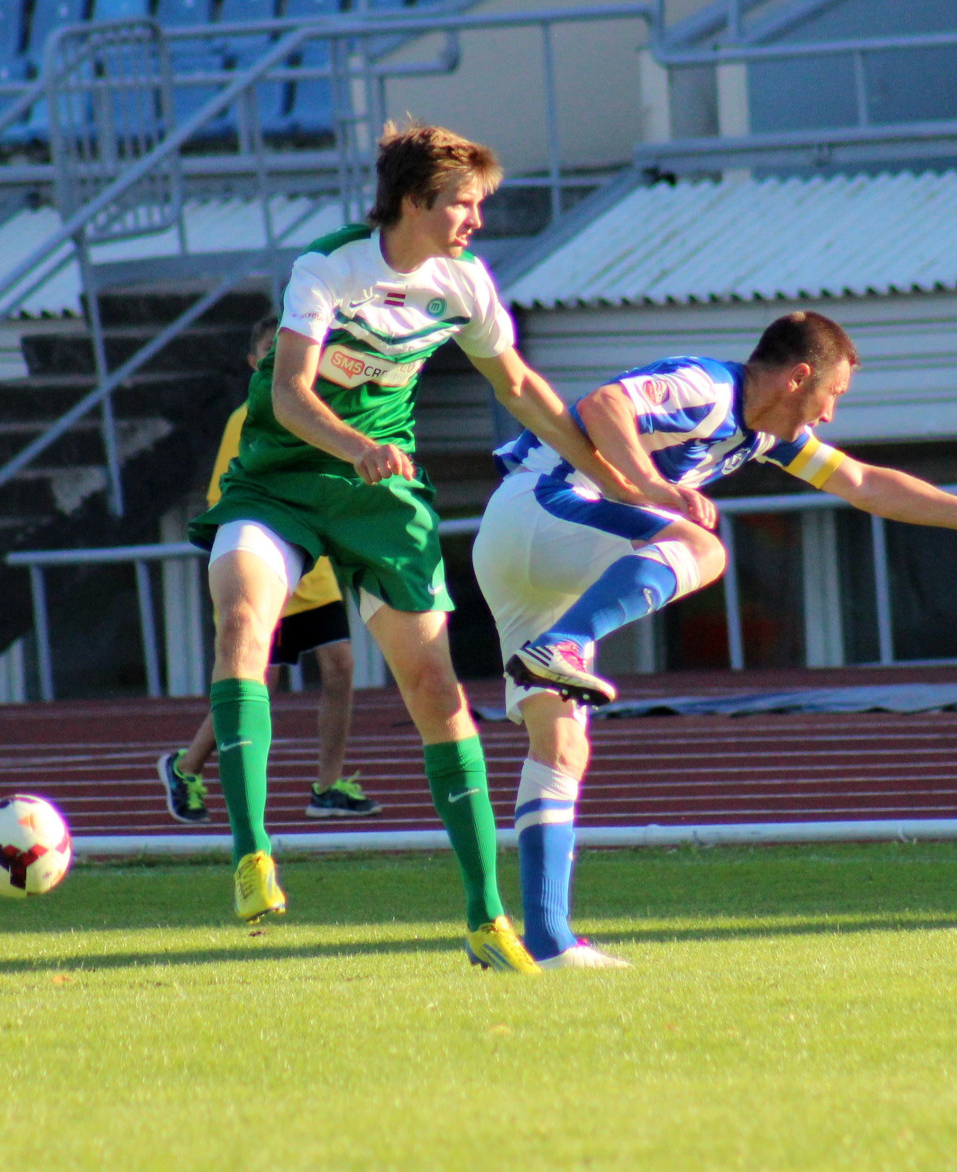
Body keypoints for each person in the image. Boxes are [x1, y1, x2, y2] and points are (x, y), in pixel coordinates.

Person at [472, 310, 957, 968]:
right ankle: (564, 643)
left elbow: (863, 483)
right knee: (698, 547)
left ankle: (548, 942)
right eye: (832, 397)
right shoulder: (707, 387)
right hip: (543, 507)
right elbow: (605, 403)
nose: (830, 416)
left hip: (529, 558)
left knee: (560, 747)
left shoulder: (758, 436)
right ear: (799, 378)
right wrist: (649, 487)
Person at [186, 121, 639, 974]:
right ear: (409, 202)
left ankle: (483, 919)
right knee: (244, 625)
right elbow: (285, 395)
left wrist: (610, 475)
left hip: (384, 502)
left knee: (438, 692)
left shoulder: (465, 283)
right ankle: (252, 852)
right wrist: (353, 445)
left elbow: (524, 389)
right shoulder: (327, 268)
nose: (475, 221)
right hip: (280, 480)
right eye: (462, 204)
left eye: (479, 205)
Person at [159, 315, 379, 826]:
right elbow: (222, 495)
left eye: (289, 348)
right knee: (257, 682)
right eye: (267, 349)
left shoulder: (317, 410)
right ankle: (187, 766)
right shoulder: (247, 418)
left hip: (311, 564)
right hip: (264, 561)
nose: (278, 357)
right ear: (253, 361)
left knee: (341, 666)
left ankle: (328, 784)